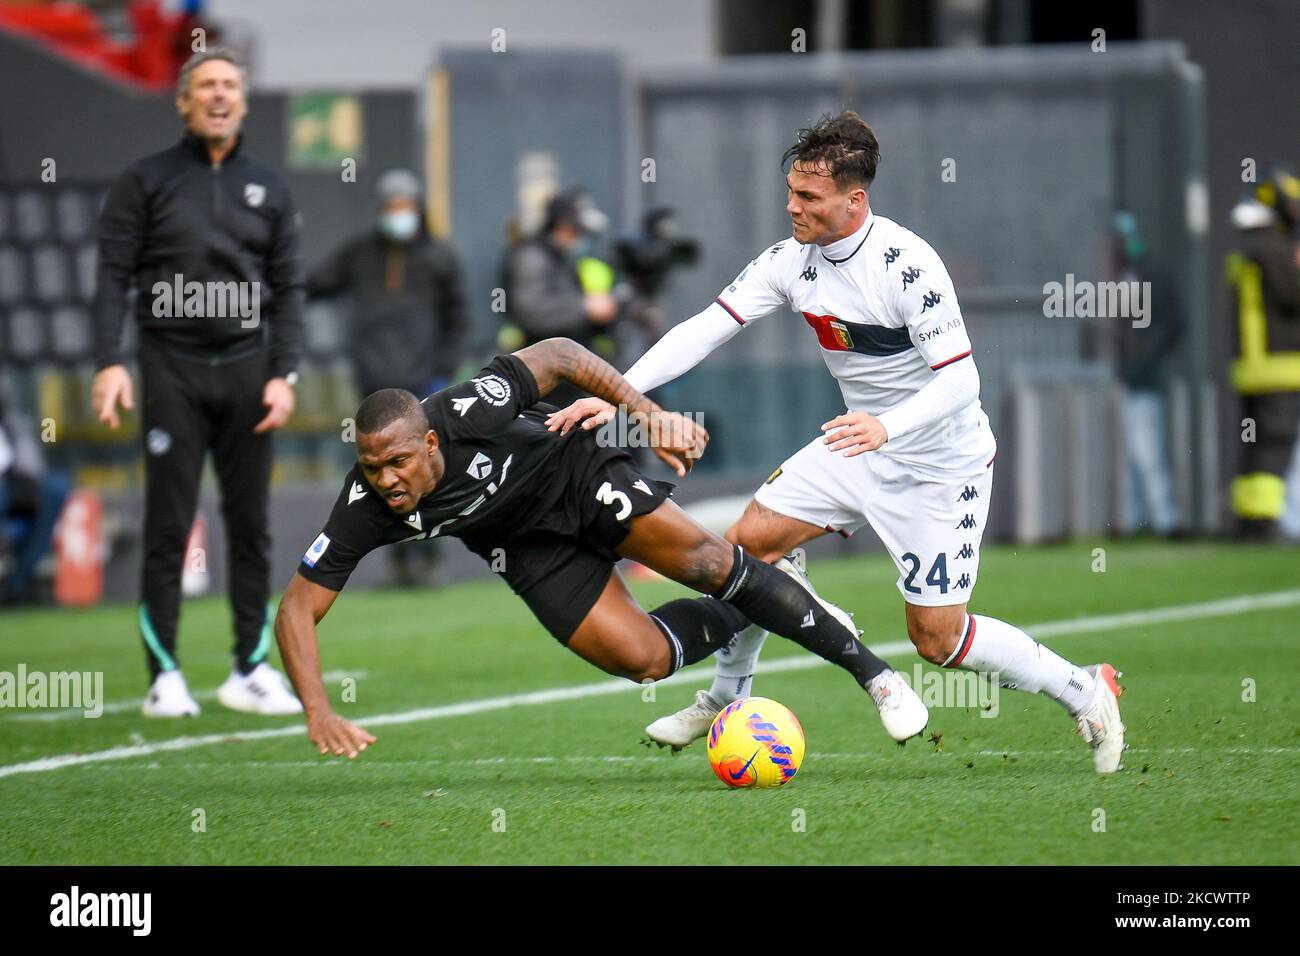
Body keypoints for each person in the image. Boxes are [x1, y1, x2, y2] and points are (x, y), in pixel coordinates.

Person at [547, 112, 1127, 773]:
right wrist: (618, 390)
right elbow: (704, 329)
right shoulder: (790, 262)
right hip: (855, 448)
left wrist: (887, 424)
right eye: (791, 192)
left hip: (940, 465)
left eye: (808, 197)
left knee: (938, 639)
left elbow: (962, 379)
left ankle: (1084, 687)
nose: (792, 207)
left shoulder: (908, 267)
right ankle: (726, 698)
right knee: (747, 546)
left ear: (856, 200)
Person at [274, 337, 929, 760]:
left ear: (430, 445)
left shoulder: (466, 409)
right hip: (526, 549)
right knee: (643, 661)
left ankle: (877, 676)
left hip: (577, 476)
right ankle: (776, 597)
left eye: (394, 462)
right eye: (370, 464)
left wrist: (644, 412)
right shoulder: (366, 504)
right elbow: (297, 609)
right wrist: (319, 709)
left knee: (706, 564)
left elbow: (559, 354)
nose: (384, 478)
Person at [90, 48, 304, 717]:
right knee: (169, 525)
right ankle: (165, 677)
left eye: (229, 86)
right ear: (184, 101)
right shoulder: (145, 181)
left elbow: (289, 289)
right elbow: (111, 278)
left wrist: (284, 375)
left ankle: (250, 669)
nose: (218, 95)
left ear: (242, 101)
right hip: (169, 370)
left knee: (252, 528)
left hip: (248, 372)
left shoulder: (269, 187)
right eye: (205, 85)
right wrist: (108, 361)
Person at [307, 167, 468, 586]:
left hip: (426, 385)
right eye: (392, 206)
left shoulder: (439, 257)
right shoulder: (359, 254)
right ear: (381, 210)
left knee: (427, 474)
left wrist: (444, 370)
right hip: (374, 387)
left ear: (417, 208)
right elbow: (314, 284)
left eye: (406, 205)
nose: (399, 213)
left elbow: (459, 317)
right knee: (379, 478)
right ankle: (397, 563)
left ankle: (430, 556)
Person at [1225, 167, 1300, 539]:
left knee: (1254, 443)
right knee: (1275, 442)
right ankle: (1265, 522)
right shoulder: (1273, 248)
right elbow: (1292, 296)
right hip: (1279, 367)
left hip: (1253, 368)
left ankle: (1249, 519)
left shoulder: (1250, 249)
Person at [501, 188, 620, 408]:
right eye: (576, 230)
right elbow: (532, 314)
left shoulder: (564, 259)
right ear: (562, 226)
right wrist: (585, 308)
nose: (580, 237)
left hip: (566, 378)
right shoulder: (531, 257)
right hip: (538, 380)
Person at [1110, 210, 1180, 536]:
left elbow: (1173, 324)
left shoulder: (1153, 276)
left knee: (1148, 452)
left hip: (1146, 379)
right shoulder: (1125, 276)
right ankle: (1133, 520)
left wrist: (1150, 356)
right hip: (1129, 377)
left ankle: (1165, 519)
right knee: (1130, 454)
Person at [0, 398, 71, 606]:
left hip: (17, 489)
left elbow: (47, 439)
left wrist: (30, 479)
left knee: (55, 488)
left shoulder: (23, 422)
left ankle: (18, 583)